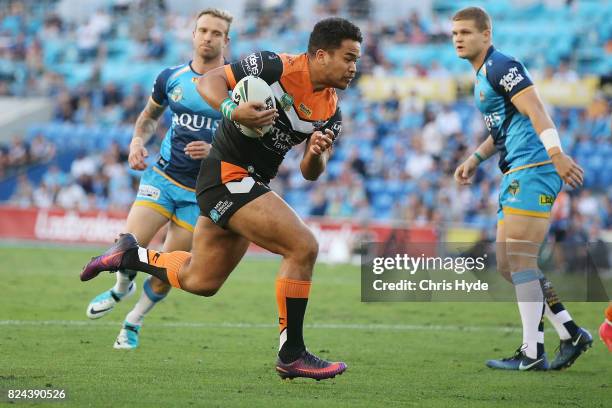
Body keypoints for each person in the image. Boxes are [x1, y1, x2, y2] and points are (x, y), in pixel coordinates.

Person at [81, 17, 362, 380]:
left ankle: (128, 254)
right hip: (227, 176)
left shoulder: (332, 110)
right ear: (321, 55)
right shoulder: (272, 65)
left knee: (202, 281)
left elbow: (311, 171)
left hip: (248, 182)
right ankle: (292, 353)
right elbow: (208, 81)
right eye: (349, 58)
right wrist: (232, 109)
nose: (354, 68)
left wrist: (317, 153)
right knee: (303, 246)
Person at [451, 7, 592, 371]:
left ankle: (533, 352)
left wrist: (557, 154)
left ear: (487, 35)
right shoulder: (483, 76)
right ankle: (571, 332)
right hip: (516, 169)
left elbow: (537, 111)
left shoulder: (501, 66)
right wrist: (475, 158)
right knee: (506, 265)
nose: (459, 39)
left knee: (522, 261)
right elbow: (503, 129)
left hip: (535, 167)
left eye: (466, 32)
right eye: (454, 34)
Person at [85, 8, 233, 350]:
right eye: (203, 30)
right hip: (163, 177)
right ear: (193, 35)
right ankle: (122, 288)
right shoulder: (171, 77)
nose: (208, 37)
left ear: (226, 40)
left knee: (169, 270)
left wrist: (215, 150)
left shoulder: (237, 86)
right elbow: (149, 116)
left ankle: (133, 320)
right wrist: (137, 141)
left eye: (216, 33)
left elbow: (252, 140)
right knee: (128, 243)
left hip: (202, 193)